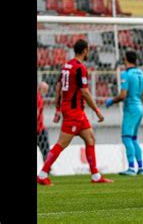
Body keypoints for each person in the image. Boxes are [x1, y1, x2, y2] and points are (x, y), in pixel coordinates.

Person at [37, 39, 113, 185]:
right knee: (62, 143)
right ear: (84, 50)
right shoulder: (79, 68)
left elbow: (58, 87)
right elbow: (84, 91)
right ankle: (42, 174)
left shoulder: (66, 66)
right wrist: (97, 111)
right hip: (74, 111)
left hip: (74, 110)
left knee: (90, 138)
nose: (88, 52)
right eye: (88, 50)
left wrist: (58, 108)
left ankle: (95, 176)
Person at [105, 50, 143, 176]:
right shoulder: (141, 73)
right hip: (140, 107)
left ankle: (131, 168)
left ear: (125, 59)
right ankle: (140, 167)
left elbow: (123, 95)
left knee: (126, 137)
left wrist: (112, 101)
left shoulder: (126, 74)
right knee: (134, 138)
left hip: (131, 108)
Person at [37, 81, 50, 162]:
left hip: (40, 128)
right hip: (39, 130)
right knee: (46, 150)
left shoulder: (39, 98)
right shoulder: (39, 98)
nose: (46, 92)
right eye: (45, 90)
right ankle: (47, 168)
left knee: (45, 149)